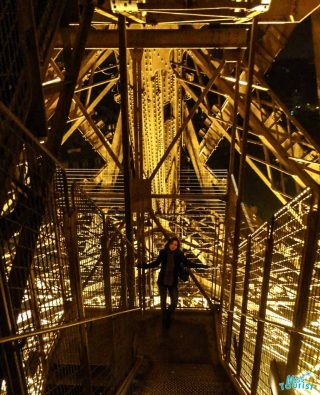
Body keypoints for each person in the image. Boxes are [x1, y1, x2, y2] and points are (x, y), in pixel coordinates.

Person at [137, 237, 208, 328]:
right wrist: (144, 266)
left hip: (173, 281)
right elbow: (156, 263)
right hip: (162, 280)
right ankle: (165, 320)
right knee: (163, 301)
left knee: (174, 302)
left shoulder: (179, 254)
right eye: (172, 244)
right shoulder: (163, 253)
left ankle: (167, 316)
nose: (174, 246)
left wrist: (203, 266)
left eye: (176, 245)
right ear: (169, 243)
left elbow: (188, 263)